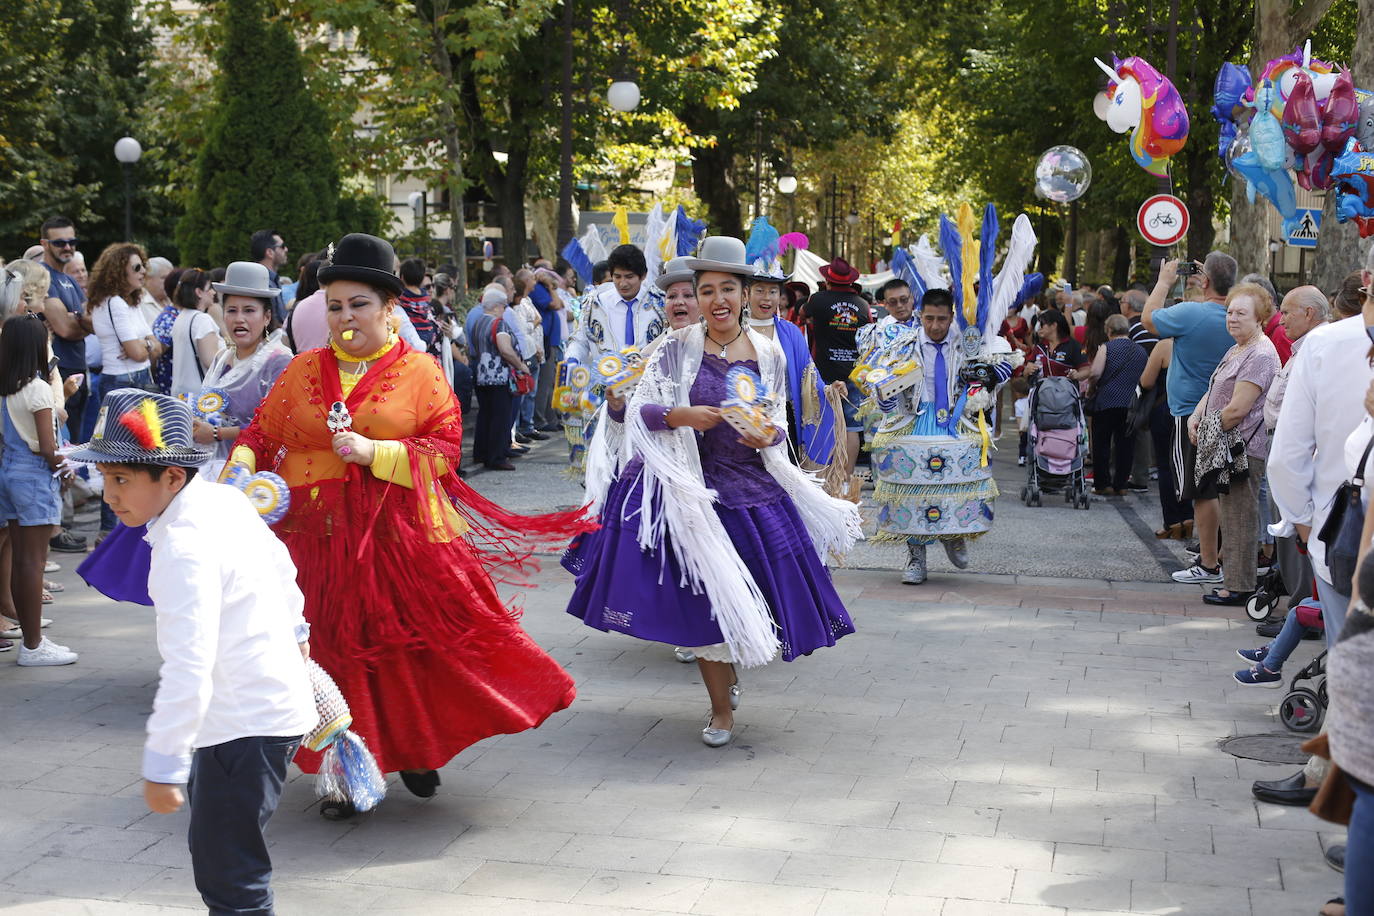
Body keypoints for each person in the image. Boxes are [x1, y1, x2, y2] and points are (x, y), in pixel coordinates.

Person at [224, 233, 588, 818]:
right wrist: (240, 472)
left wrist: (374, 454)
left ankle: (416, 747)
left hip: (401, 537)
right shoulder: (303, 370)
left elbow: (444, 451)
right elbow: (259, 436)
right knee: (332, 654)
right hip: (314, 541)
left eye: (359, 304)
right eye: (335, 306)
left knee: (409, 648)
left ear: (389, 306)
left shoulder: (419, 372)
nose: (345, 317)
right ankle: (346, 769)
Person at [564, 235, 861, 747]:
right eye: (706, 290)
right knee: (706, 605)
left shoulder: (770, 352)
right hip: (689, 492)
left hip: (751, 490)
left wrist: (767, 434)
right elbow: (641, 410)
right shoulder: (674, 347)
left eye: (727, 288)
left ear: (745, 293)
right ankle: (720, 709)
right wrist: (681, 415)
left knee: (751, 599)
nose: (717, 299)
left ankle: (732, 669)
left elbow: (777, 421)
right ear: (695, 297)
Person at [71, 390, 313, 914]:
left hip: (243, 721)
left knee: (232, 879)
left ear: (172, 478)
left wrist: (163, 763)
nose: (109, 496)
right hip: (259, 711)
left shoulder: (182, 546)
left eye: (123, 480)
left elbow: (188, 665)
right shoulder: (223, 500)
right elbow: (281, 565)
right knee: (228, 864)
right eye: (107, 477)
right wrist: (297, 633)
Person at [1253, 247, 1374, 812]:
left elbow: (1288, 450)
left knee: (1347, 662)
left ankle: (1334, 783)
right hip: (1337, 526)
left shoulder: (1327, 344)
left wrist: (1302, 522)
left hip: (1341, 532)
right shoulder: (1332, 345)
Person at [1143, 254, 1237, 587]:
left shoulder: (1192, 313)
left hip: (1191, 415)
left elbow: (1149, 319)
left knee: (1202, 492)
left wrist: (1165, 281)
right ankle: (1224, 558)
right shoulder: (1236, 314)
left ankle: (1210, 564)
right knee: (1225, 490)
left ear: (1206, 281)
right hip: (1230, 411)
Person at [1184, 283, 1279, 604]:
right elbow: (1214, 390)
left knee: (1240, 516)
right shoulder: (1237, 348)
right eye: (1229, 312)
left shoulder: (1260, 353)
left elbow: (1238, 409)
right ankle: (1236, 581)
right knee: (1233, 515)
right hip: (1225, 446)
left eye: (1241, 313)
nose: (1232, 319)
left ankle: (1240, 586)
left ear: (1260, 318)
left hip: (1242, 450)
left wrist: (1205, 427)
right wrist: (1195, 416)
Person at [0, 315, 76, 665]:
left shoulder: (6, 387)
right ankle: (33, 645)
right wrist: (65, 467)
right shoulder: (38, 388)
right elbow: (48, 447)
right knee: (33, 563)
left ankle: (31, 641)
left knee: (19, 561)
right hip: (33, 475)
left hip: (9, 473)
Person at [1256, 286, 1329, 635]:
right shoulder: (1302, 349)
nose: (1281, 319)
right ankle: (1300, 607)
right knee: (1288, 525)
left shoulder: (1317, 349)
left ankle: (1303, 612)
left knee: (1297, 527)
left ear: (1309, 314)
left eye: (1287, 312)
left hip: (1297, 452)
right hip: (1284, 446)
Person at [561, 244, 666, 475]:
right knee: (603, 461)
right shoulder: (596, 302)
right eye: (617, 277)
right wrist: (571, 361)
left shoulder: (660, 303)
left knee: (644, 460)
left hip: (647, 392)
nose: (623, 283)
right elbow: (580, 340)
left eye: (629, 277)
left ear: (643, 275)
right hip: (603, 394)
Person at [188, 263, 293, 475]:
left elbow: (277, 429)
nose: (239, 319)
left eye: (249, 310)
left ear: (267, 317)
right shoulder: (222, 357)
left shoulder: (278, 361)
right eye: (232, 310)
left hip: (256, 476)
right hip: (212, 468)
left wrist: (218, 433)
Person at [803, 258, 872, 478]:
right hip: (853, 373)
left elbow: (800, 315)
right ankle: (845, 477)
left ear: (828, 279)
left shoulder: (818, 300)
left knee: (824, 424)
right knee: (851, 427)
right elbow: (869, 332)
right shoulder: (862, 304)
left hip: (823, 372)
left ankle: (823, 475)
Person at [39, 217, 91, 443]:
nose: (68, 247)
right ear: (44, 244)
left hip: (78, 368)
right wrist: (78, 321)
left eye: (72, 241)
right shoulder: (43, 277)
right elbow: (66, 330)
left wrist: (76, 319)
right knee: (61, 443)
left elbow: (91, 323)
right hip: (57, 371)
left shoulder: (69, 279)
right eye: (60, 242)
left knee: (75, 443)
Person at [469, 286, 531, 470]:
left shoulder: (478, 322)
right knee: (500, 416)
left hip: (481, 374)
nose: (505, 310)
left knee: (485, 414)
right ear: (497, 306)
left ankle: (481, 452)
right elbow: (505, 349)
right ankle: (496, 456)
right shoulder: (499, 324)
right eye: (504, 306)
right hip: (498, 376)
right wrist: (520, 365)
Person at [1087, 314, 1148, 496]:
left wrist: (1091, 389)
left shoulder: (1106, 347)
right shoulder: (1140, 350)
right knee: (1125, 446)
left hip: (1106, 402)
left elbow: (1096, 373)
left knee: (1102, 444)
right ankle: (1121, 484)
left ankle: (1102, 484)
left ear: (1109, 330)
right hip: (1130, 404)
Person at [169, 270, 225, 399]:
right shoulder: (202, 320)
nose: (213, 292)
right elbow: (211, 361)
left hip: (181, 395)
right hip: (199, 400)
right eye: (209, 288)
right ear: (199, 292)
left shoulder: (182, 316)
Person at [1029, 309, 1088, 379]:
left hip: (1065, 388)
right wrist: (1028, 370)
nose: (1039, 328)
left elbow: (1086, 370)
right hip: (1042, 388)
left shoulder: (1074, 346)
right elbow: (1028, 368)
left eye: (1042, 324)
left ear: (1054, 325)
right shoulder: (1039, 347)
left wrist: (1077, 375)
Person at [397, 257, 437, 352]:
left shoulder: (402, 296)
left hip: (415, 333)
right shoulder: (425, 295)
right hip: (428, 332)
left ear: (402, 277)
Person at [249, 229, 288, 322]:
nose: (286, 249)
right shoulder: (263, 283)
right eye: (282, 246)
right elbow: (273, 323)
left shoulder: (271, 280)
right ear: (270, 252)